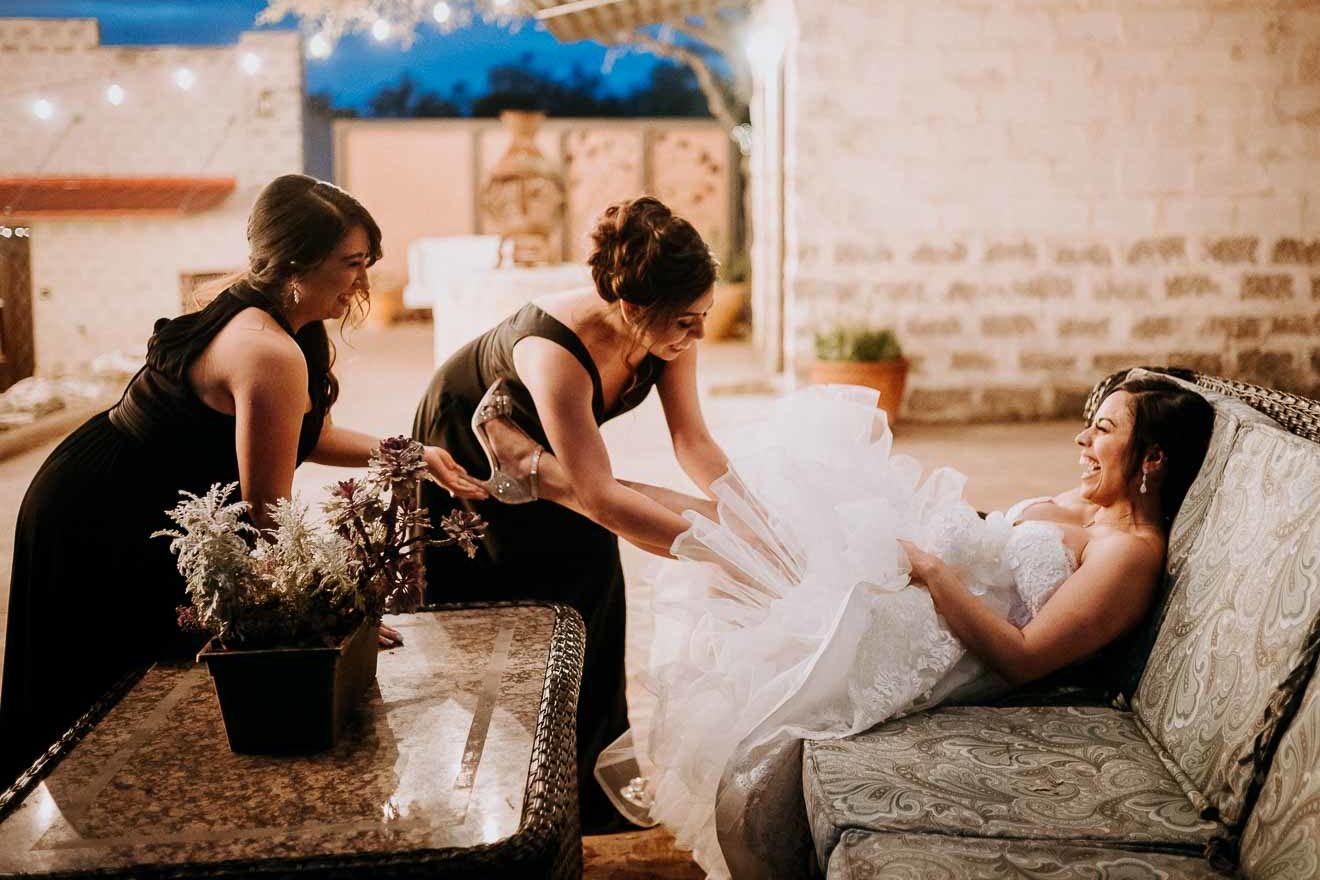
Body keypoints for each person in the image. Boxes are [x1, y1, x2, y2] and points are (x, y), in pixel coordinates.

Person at [469, 375, 1216, 877]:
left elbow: (1022, 657)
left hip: (937, 638)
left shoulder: (1129, 555)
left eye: (1104, 431)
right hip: (924, 584)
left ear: (1151, 456)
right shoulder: (1092, 505)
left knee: (747, 543)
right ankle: (551, 475)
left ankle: (545, 475)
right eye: (1088, 427)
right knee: (756, 518)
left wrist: (931, 571)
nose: (1082, 442)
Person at [0, 174, 484, 787]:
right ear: (295, 262)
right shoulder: (266, 351)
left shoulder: (286, 321)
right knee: (96, 711)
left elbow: (302, 436)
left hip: (135, 494)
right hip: (103, 514)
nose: (363, 283)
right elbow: (266, 515)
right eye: (351, 264)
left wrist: (409, 453)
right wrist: (332, 613)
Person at [411, 195, 730, 833]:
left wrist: (756, 515)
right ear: (634, 308)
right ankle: (498, 811)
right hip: (473, 453)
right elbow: (601, 496)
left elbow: (692, 441)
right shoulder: (554, 352)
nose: (699, 334)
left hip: (561, 459)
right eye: (689, 322)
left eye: (703, 318)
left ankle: (593, 803)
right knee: (500, 629)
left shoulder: (668, 322)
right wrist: (720, 550)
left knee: (594, 598)